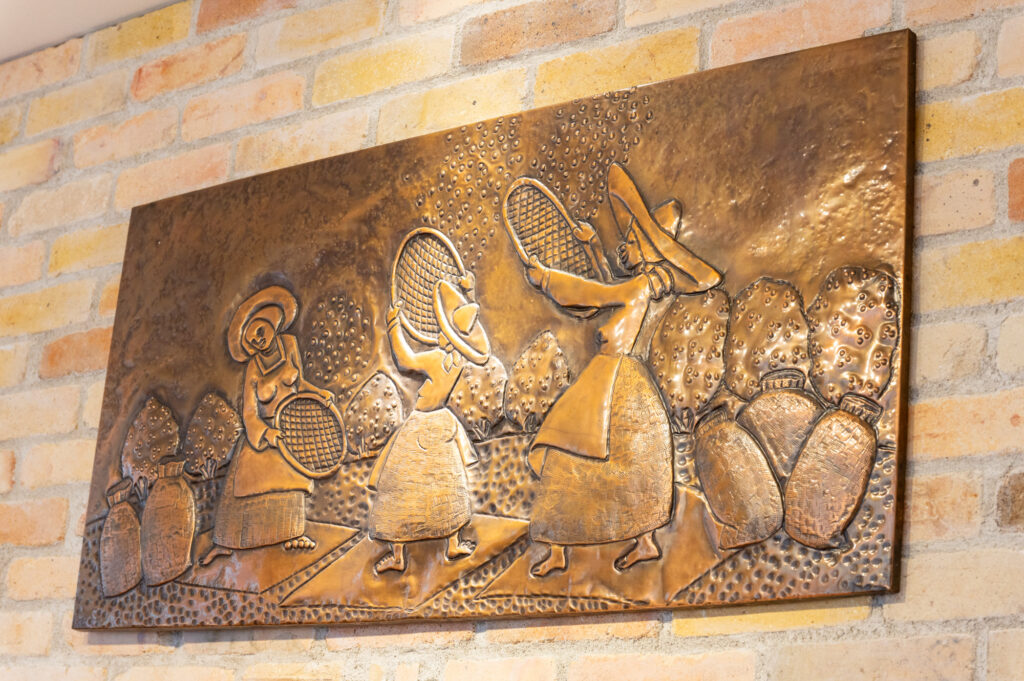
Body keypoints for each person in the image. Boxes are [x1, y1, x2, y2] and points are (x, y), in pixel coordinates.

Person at [525, 163, 723, 577]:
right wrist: (594, 247)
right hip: (627, 383)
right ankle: (640, 542)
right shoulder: (650, 286)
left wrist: (546, 279)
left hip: (612, 382)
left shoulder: (639, 286)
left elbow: (593, 294)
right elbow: (609, 290)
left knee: (570, 460)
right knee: (623, 465)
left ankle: (562, 548)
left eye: (632, 240)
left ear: (651, 248)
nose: (624, 246)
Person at [201, 286, 335, 565]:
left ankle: (293, 534)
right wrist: (265, 433)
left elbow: (300, 384)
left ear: (272, 322)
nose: (258, 339)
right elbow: (249, 411)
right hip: (264, 432)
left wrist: (319, 393)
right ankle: (225, 543)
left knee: (291, 481)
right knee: (243, 483)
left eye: (260, 330)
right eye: (251, 339)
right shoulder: (253, 368)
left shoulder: (290, 345)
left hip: (292, 425)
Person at [367, 274, 490, 574]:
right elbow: (470, 328)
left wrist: (394, 326)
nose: (438, 331)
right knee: (448, 484)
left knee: (401, 484)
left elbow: (405, 360)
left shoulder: (437, 359)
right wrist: (469, 292)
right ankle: (453, 543)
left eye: (442, 328)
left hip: (422, 425)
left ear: (448, 336)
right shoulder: (459, 362)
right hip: (443, 424)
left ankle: (398, 555)